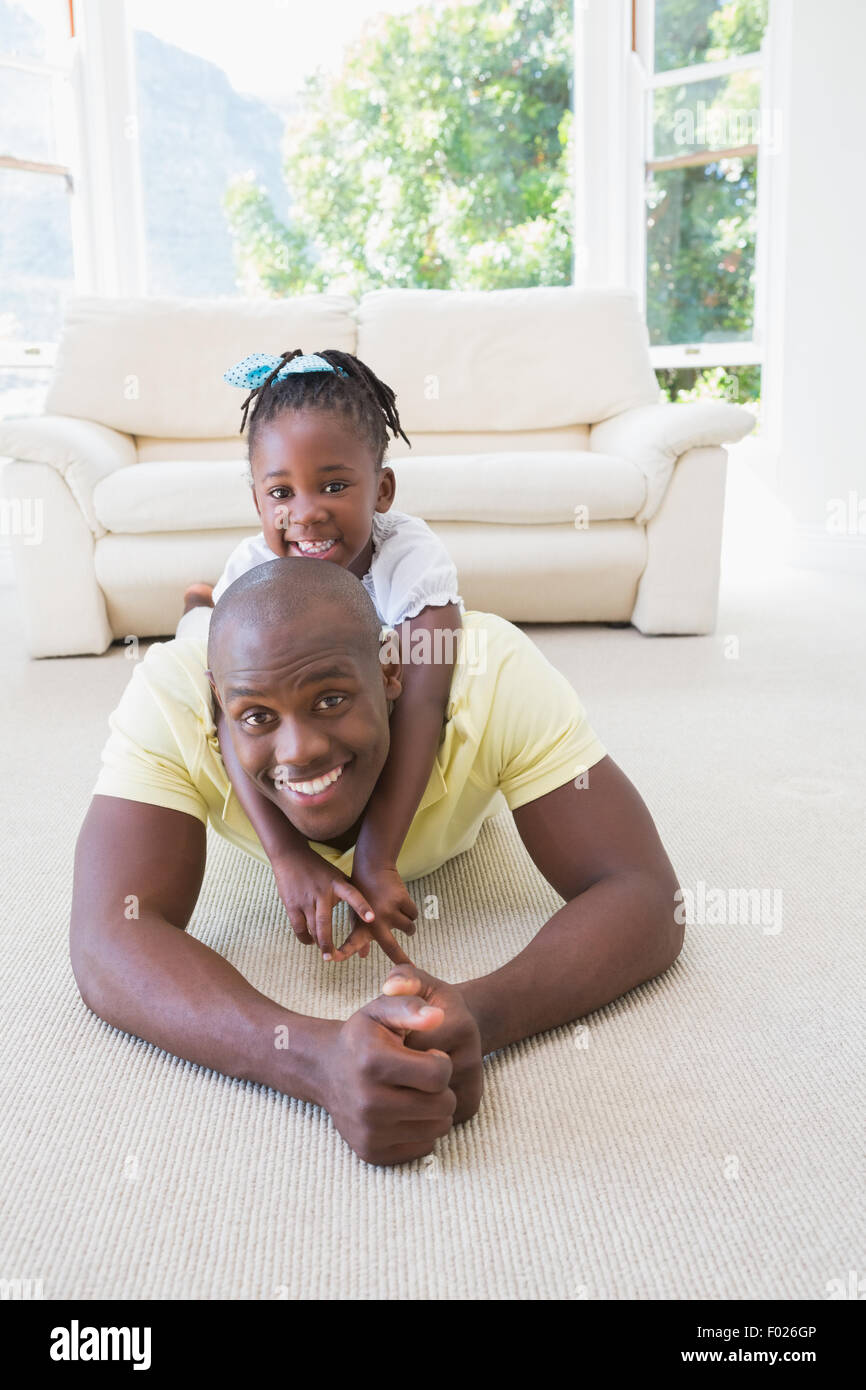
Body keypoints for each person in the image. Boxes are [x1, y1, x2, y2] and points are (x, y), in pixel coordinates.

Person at [70, 559, 684, 1167]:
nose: (300, 749)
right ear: (219, 703)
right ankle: (198, 609)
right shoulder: (171, 693)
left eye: (331, 699)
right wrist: (315, 1058)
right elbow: (108, 935)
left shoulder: (490, 670)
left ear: (391, 673)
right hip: (202, 653)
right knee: (196, 633)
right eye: (257, 716)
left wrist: (478, 1014)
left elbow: (646, 893)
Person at [178, 348, 464, 964]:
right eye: (280, 491)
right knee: (189, 655)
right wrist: (287, 854)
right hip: (253, 633)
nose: (305, 513)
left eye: (334, 486)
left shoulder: (407, 557)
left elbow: (424, 699)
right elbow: (232, 713)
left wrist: (377, 854)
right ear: (257, 501)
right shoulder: (254, 568)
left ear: (382, 489)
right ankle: (200, 610)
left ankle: (200, 606)